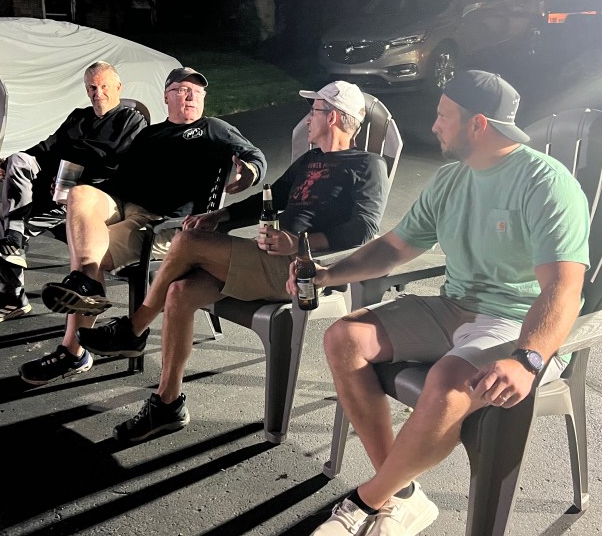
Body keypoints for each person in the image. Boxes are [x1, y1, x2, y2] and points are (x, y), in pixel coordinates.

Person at [295, 70, 590, 536]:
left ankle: (365, 502)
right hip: (453, 307)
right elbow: (393, 248)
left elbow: (564, 288)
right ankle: (403, 497)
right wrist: (327, 275)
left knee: (449, 379)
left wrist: (528, 359)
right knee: (345, 337)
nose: (434, 125)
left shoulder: (545, 183)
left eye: (443, 116)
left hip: (515, 322)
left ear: (478, 124)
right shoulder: (452, 179)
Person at [70, 80, 389, 444]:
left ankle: (134, 328)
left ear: (331, 117)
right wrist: (219, 217)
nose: (307, 119)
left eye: (314, 111)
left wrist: (298, 242)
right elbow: (269, 198)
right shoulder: (310, 161)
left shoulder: (368, 164)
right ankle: (167, 404)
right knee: (179, 292)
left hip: (300, 272)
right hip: (266, 258)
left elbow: (365, 228)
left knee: (186, 241)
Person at [17, 66, 268, 385]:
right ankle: (85, 287)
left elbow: (254, 156)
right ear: (166, 97)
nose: (190, 96)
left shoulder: (213, 128)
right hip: (128, 210)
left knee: (89, 257)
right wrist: (79, 188)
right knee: (80, 195)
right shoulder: (150, 135)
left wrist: (249, 172)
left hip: (166, 225)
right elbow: (120, 180)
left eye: (197, 91)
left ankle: (73, 350)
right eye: (181, 90)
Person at [0, 62, 147, 326]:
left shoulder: (131, 120)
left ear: (118, 87)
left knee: (12, 222)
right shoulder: (79, 117)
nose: (98, 93)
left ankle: (11, 294)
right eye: (92, 87)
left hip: (93, 198)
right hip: (54, 189)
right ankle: (13, 244)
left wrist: (78, 182)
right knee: (19, 161)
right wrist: (13, 161)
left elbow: (120, 167)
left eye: (104, 86)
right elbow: (47, 148)